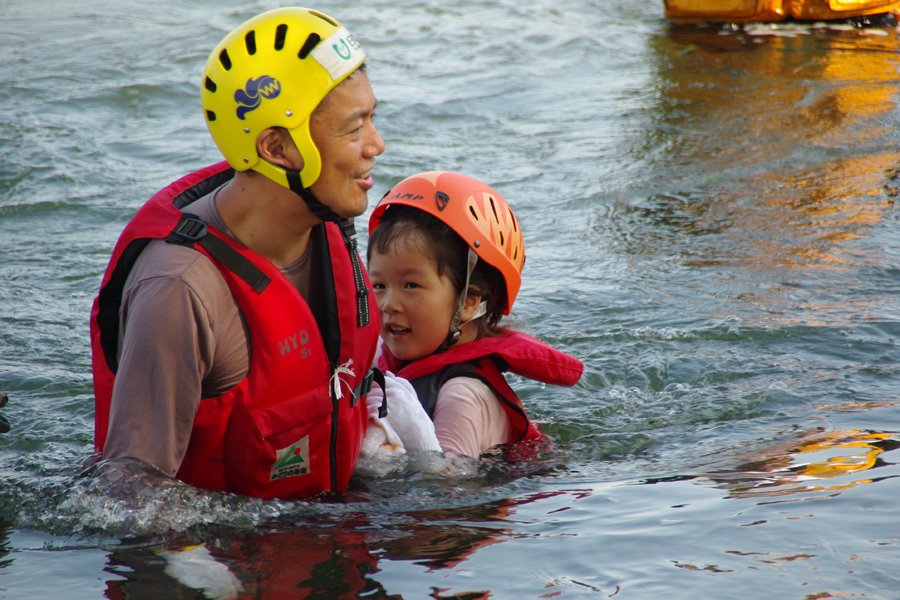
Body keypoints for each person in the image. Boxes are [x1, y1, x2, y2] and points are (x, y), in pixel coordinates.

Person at [90, 7, 384, 500]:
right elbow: (127, 495)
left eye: (373, 119)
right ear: (276, 149)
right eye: (354, 130)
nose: (377, 144)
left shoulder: (331, 224)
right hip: (233, 563)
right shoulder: (178, 290)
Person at [364, 172, 584, 458]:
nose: (389, 304)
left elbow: (446, 492)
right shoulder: (383, 355)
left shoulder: (462, 396)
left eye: (411, 285)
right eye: (379, 285)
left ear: (468, 301)